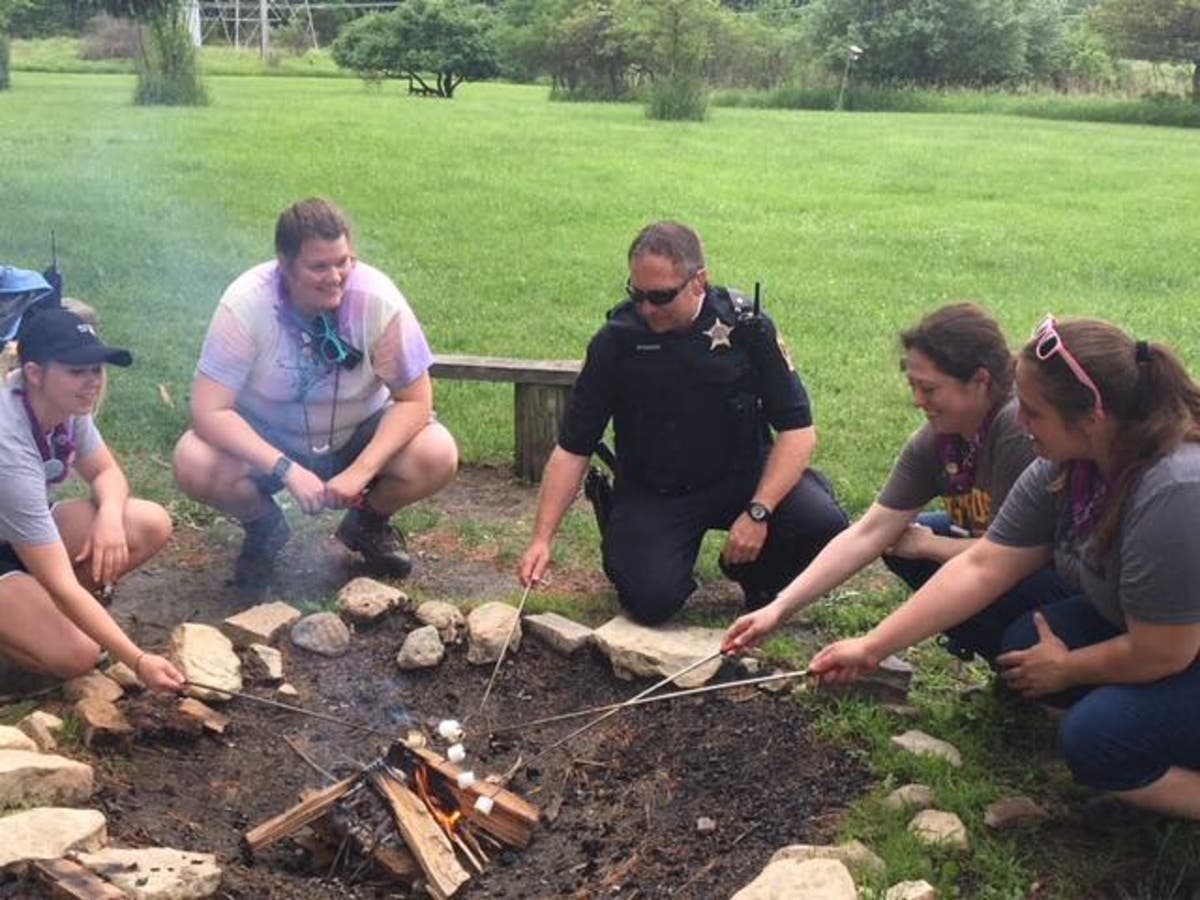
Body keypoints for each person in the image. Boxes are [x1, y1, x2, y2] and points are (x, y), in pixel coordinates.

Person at [811, 315, 1200, 821]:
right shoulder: (1068, 466)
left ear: (1092, 416)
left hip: (1174, 647)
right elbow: (983, 565)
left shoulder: (1172, 492)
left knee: (1094, 739)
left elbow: (1163, 652)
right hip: (1165, 638)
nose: (1019, 423)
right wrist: (871, 646)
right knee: (1024, 649)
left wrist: (1069, 667)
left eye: (1034, 413)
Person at [518, 221, 847, 624]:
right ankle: (635, 541)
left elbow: (798, 431)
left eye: (660, 297)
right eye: (636, 294)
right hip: (658, 488)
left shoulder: (746, 328)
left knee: (822, 522)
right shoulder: (616, 341)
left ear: (699, 282)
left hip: (742, 475)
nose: (647, 309)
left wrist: (759, 511)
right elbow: (573, 448)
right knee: (650, 599)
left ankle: (754, 573)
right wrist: (541, 539)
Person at [723, 303, 1068, 660]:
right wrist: (778, 610)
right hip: (994, 555)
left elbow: (1016, 556)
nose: (918, 401)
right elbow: (870, 531)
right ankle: (1004, 661)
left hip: (1057, 576)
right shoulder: (940, 437)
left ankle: (1025, 663)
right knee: (900, 538)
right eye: (913, 386)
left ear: (980, 381)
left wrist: (928, 547)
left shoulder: (1017, 430)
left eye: (929, 389)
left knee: (921, 544)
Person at [173, 199, 458, 586]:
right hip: (269, 436)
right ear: (285, 265)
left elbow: (416, 400)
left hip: (358, 431)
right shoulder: (245, 306)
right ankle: (265, 528)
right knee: (192, 459)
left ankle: (367, 523)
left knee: (437, 452)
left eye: (343, 261)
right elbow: (208, 410)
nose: (336, 276)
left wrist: (361, 471)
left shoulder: (378, 302)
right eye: (318, 266)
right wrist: (284, 468)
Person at [0, 308, 184, 693]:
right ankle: (29, 630)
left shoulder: (63, 405)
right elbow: (63, 585)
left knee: (148, 523)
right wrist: (138, 659)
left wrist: (110, 519)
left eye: (96, 370)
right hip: (12, 533)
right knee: (80, 654)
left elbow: (107, 473)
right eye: (76, 371)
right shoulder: (7, 447)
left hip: (15, 534)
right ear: (35, 373)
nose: (91, 383)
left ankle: (36, 617)